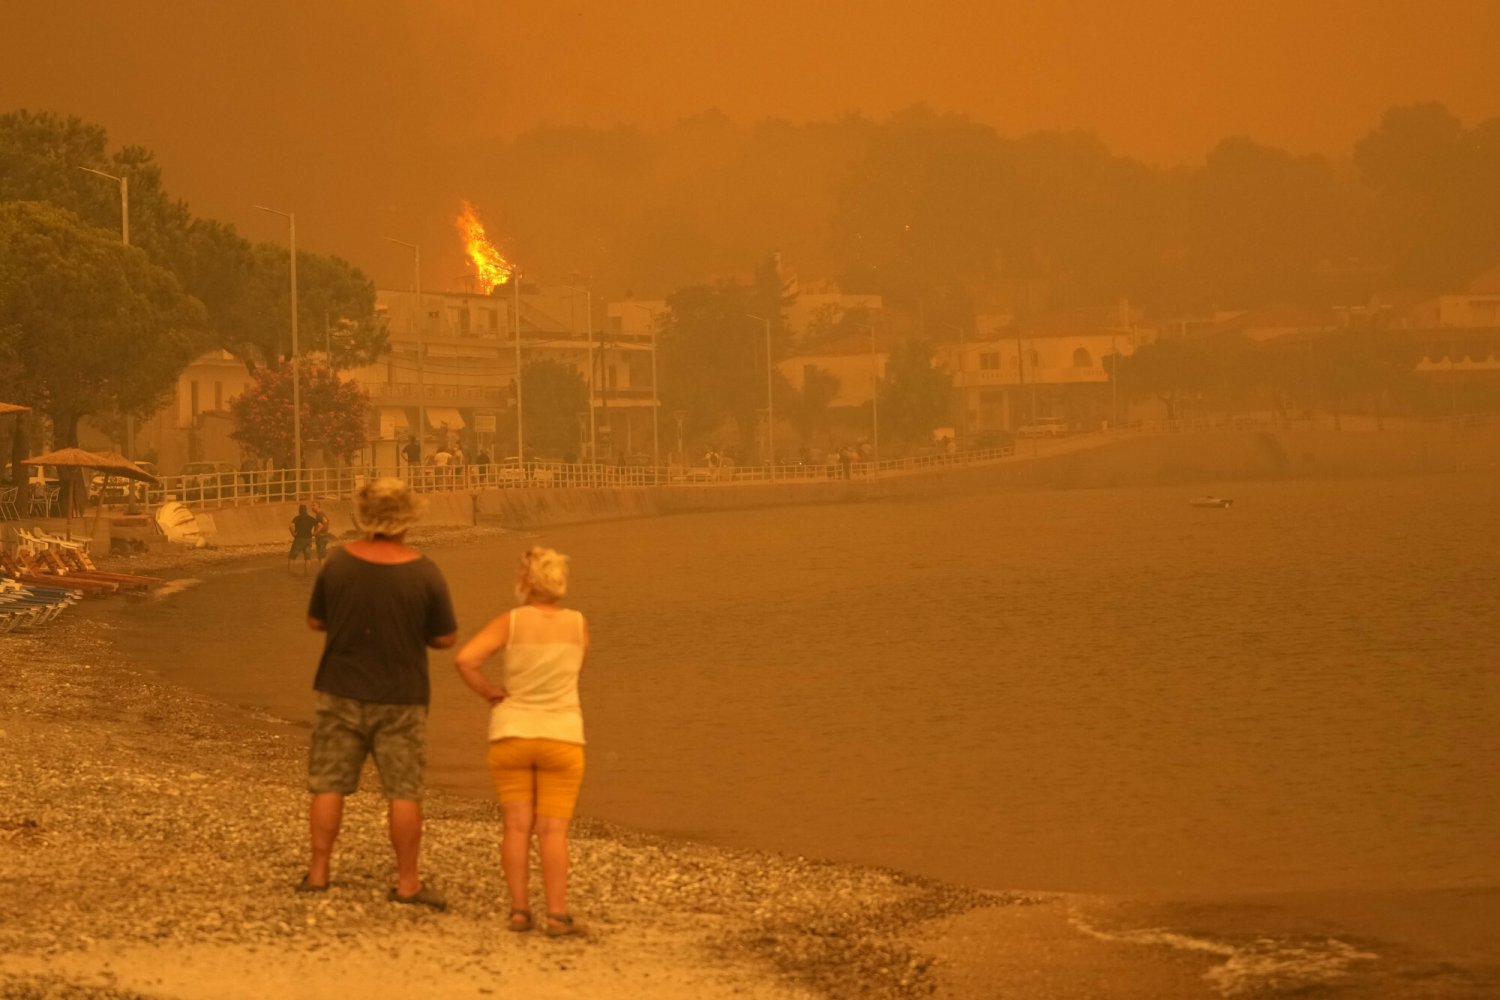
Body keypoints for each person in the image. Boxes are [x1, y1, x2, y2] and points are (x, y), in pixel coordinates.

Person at [299, 478, 458, 910]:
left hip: (339, 688)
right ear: (408, 517)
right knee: (403, 791)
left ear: (362, 516)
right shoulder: (424, 570)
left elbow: (316, 622)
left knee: (328, 784)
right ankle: (407, 883)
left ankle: (318, 875)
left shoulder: (338, 564)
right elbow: (445, 638)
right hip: (401, 695)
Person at [454, 547, 589, 937]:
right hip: (562, 735)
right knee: (553, 831)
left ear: (526, 580)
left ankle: (518, 912)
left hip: (511, 732)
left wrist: (490, 692)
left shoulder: (510, 623)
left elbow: (466, 660)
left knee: (516, 827)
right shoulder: (578, 624)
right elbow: (577, 666)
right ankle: (557, 915)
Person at [288, 504, 319, 575]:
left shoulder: (297, 518)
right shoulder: (311, 518)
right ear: (306, 510)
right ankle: (307, 572)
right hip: (308, 539)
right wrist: (315, 533)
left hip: (299, 538)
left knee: (292, 556)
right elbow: (320, 525)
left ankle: (290, 572)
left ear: (299, 510)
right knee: (307, 557)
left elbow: (290, 526)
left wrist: (293, 534)